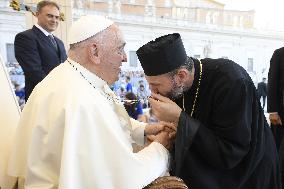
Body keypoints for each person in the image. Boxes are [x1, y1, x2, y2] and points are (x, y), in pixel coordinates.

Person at [7, 15, 176, 189]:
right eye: (120, 49)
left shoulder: (71, 77)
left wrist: (144, 129)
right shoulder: (82, 101)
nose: (125, 58)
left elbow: (109, 119)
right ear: (94, 52)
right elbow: (121, 176)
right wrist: (160, 148)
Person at [136, 33, 281, 189]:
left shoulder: (230, 81)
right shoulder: (177, 87)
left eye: (156, 85)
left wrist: (180, 119)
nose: (153, 92)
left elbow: (230, 151)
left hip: (247, 174)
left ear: (181, 75)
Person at [14, 0, 67, 101]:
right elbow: (34, 72)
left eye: (57, 17)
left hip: (60, 98)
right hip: (41, 99)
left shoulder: (59, 42)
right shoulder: (25, 38)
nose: (54, 20)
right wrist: (58, 89)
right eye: (50, 16)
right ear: (37, 14)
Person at [268, 47, 284, 150]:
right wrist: (273, 111)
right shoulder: (279, 54)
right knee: (279, 145)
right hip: (281, 111)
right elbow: (272, 82)